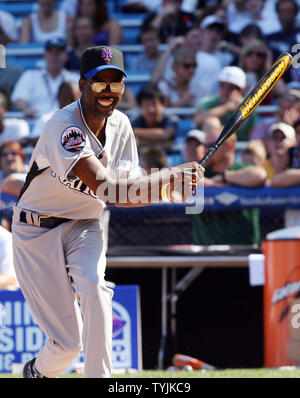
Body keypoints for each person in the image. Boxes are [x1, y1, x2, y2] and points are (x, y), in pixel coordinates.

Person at [12, 45, 204, 378]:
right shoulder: (64, 126)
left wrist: (168, 188)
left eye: (115, 83)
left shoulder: (122, 126)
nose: (107, 90)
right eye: (99, 82)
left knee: (93, 284)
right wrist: (169, 176)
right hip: (36, 230)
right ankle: (36, 372)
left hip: (85, 223)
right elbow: (107, 189)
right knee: (66, 346)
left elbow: (129, 194)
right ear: (82, 86)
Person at [192, 129, 267, 246]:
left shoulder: (243, 169)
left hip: (243, 251)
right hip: (205, 254)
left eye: (210, 146)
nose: (205, 150)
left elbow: (260, 175)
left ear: (228, 147)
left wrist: (224, 177)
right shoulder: (201, 173)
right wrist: (211, 184)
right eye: (204, 146)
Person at [11, 38, 79, 119]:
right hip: (36, 123)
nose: (54, 57)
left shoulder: (74, 78)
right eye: (50, 52)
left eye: (58, 53)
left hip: (65, 123)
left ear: (66, 56)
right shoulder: (30, 76)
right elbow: (19, 100)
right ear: (45, 55)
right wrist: (25, 109)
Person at [194, 66, 257, 141]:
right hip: (214, 149)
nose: (225, 91)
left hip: (238, 149)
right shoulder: (211, 101)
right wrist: (226, 107)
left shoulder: (249, 106)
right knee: (212, 122)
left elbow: (252, 135)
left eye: (231, 87)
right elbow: (197, 119)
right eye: (222, 86)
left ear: (241, 90)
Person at [131, 83, 179, 149]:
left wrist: (136, 131)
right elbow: (134, 142)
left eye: (154, 104)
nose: (151, 109)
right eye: (147, 105)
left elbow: (166, 134)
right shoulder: (136, 122)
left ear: (162, 105)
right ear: (140, 107)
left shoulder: (171, 119)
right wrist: (161, 143)